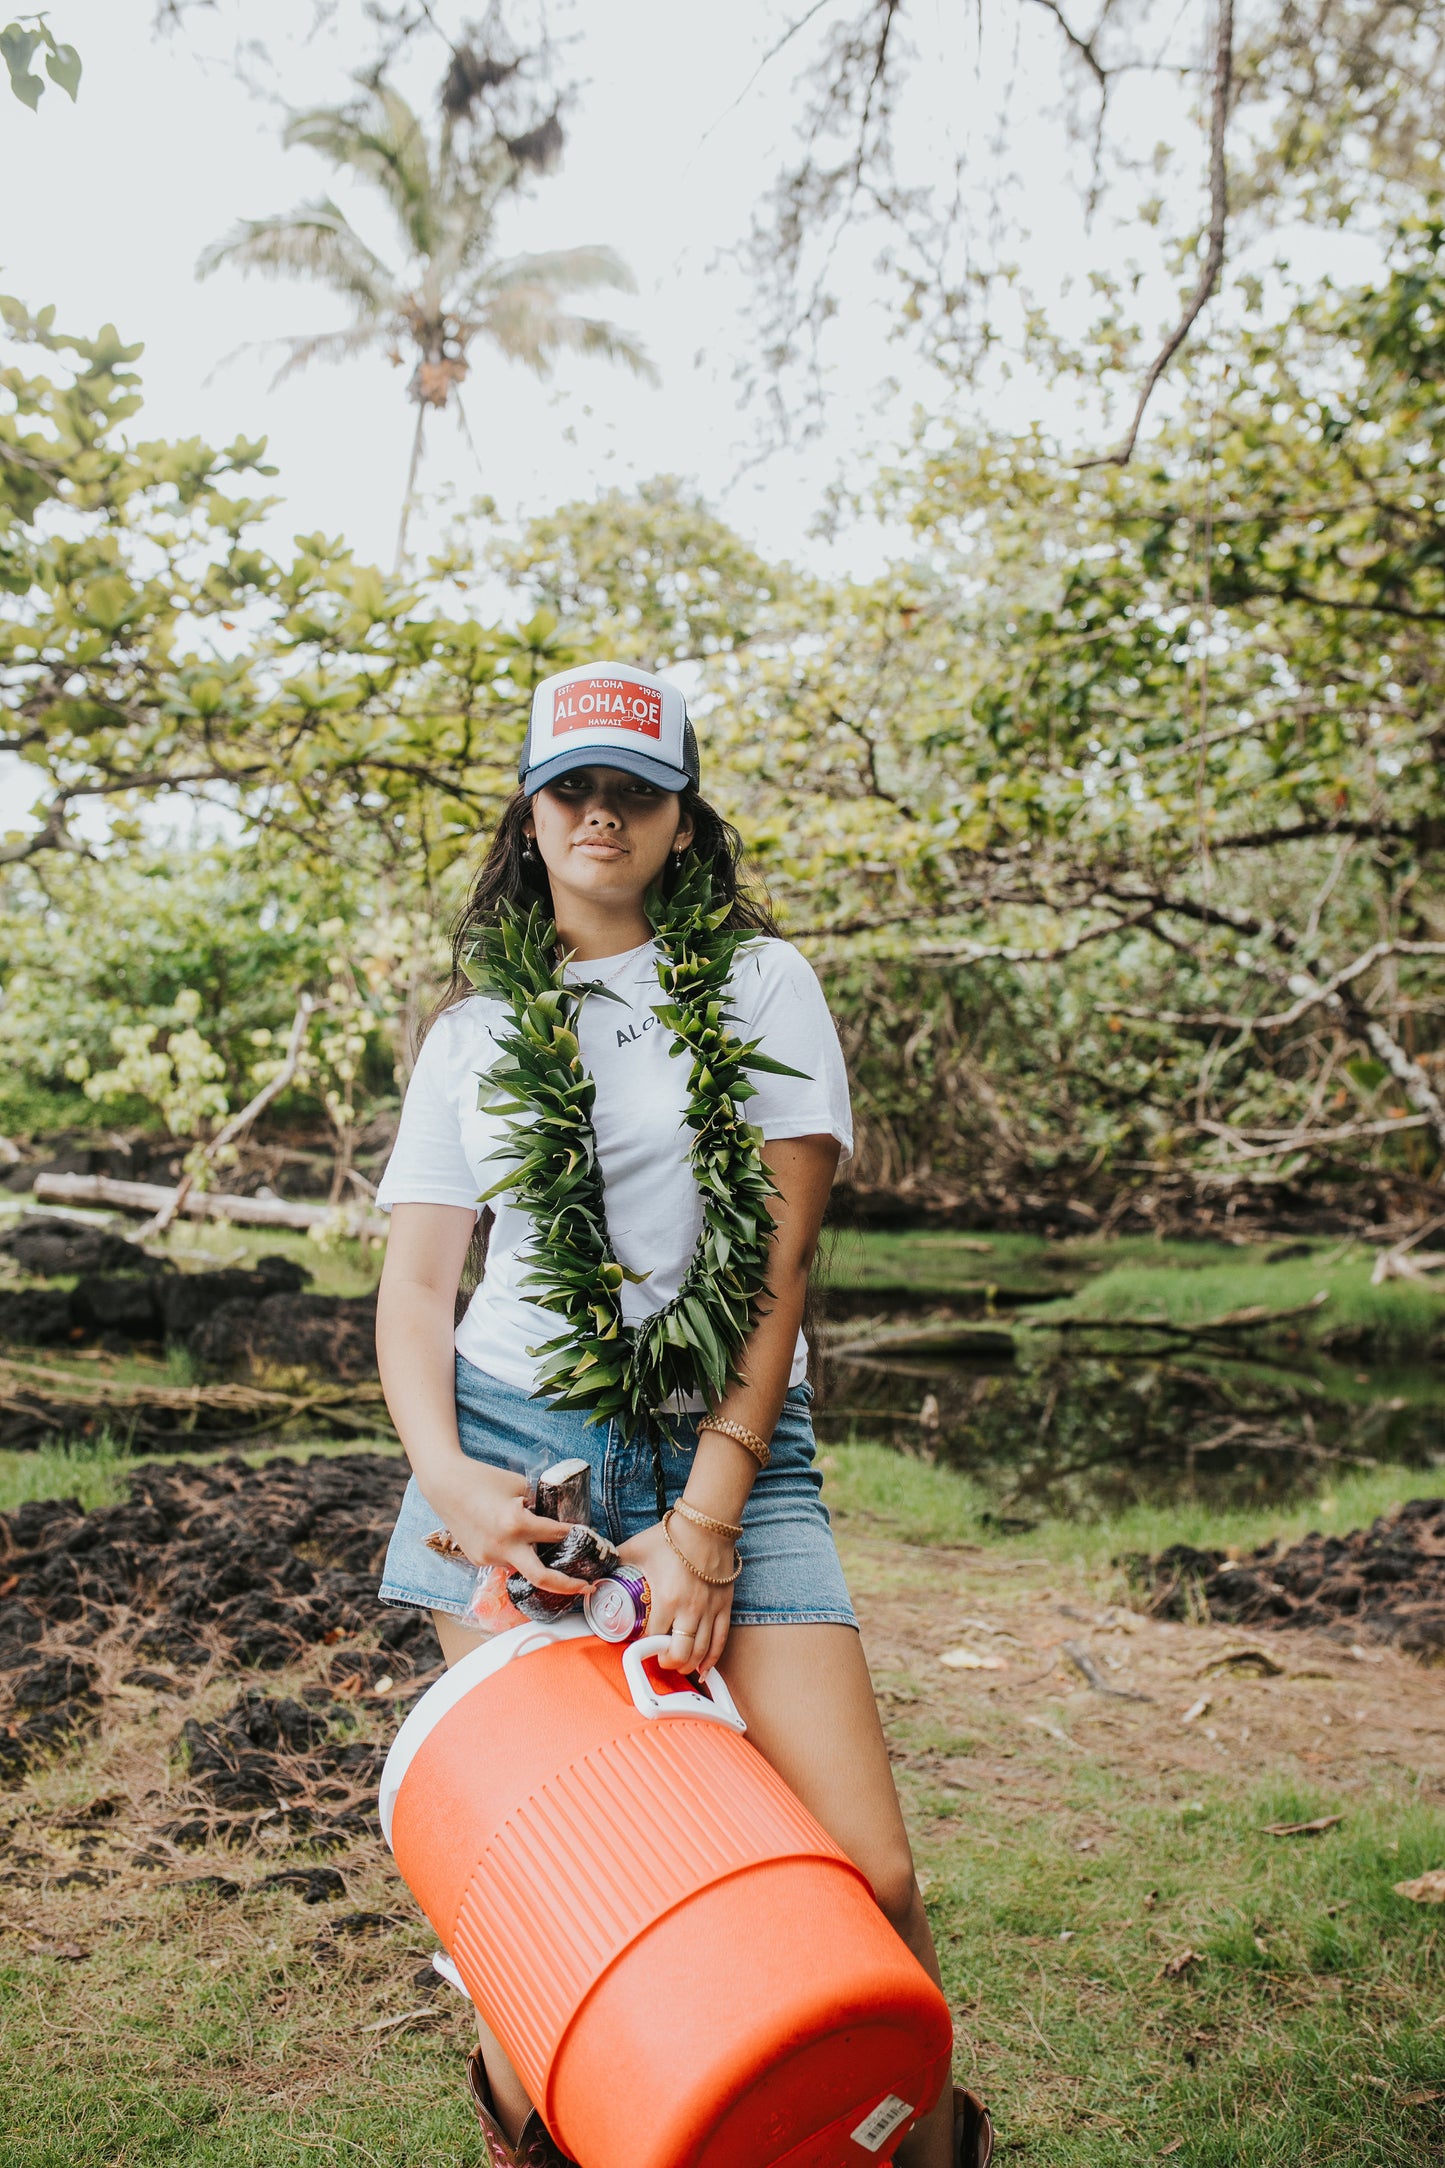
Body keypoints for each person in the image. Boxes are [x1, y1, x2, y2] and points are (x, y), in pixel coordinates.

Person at [373, 662, 992, 2168]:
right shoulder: (470, 1034)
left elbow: (780, 1269)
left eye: (635, 793)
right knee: (561, 1899)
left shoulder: (761, 986)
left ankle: (922, 2152)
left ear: (681, 821)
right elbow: (419, 1285)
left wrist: (707, 1518)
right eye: (573, 789)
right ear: (531, 814)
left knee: (869, 1872)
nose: (602, 815)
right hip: (514, 1455)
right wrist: (447, 1476)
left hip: (731, 1449)